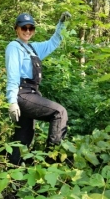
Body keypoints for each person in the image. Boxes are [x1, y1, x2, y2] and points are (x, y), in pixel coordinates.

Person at [5, 12, 71, 165]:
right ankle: (51, 161)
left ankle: (13, 173)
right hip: (22, 94)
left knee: (23, 137)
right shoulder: (14, 47)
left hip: (32, 93)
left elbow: (54, 42)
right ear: (16, 29)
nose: (27, 31)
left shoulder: (33, 48)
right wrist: (12, 101)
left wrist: (62, 24)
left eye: (31, 28)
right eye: (24, 27)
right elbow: (13, 76)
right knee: (59, 112)